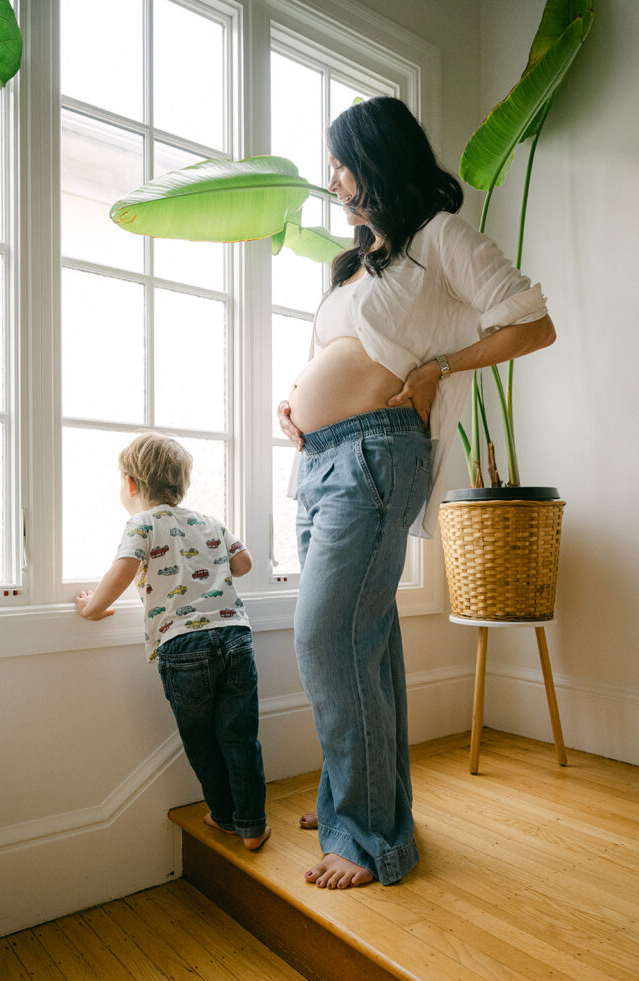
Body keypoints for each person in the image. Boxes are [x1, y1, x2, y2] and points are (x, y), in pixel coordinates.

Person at [277, 96, 555, 889]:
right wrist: (292, 404)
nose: (333, 179)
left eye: (341, 162)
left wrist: (437, 368)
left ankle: (368, 839)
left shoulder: (439, 238)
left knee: (326, 639)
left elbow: (529, 323)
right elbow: (337, 354)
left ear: (377, 157)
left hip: (373, 456)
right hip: (321, 461)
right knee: (363, 642)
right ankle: (354, 802)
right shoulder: (357, 262)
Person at [74, 431, 270, 851]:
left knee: (202, 741)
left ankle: (224, 817)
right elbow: (244, 563)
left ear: (130, 484)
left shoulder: (141, 524)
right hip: (235, 636)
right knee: (239, 736)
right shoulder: (209, 521)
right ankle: (253, 826)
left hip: (183, 648)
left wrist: (92, 608)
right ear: (182, 485)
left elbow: (123, 572)